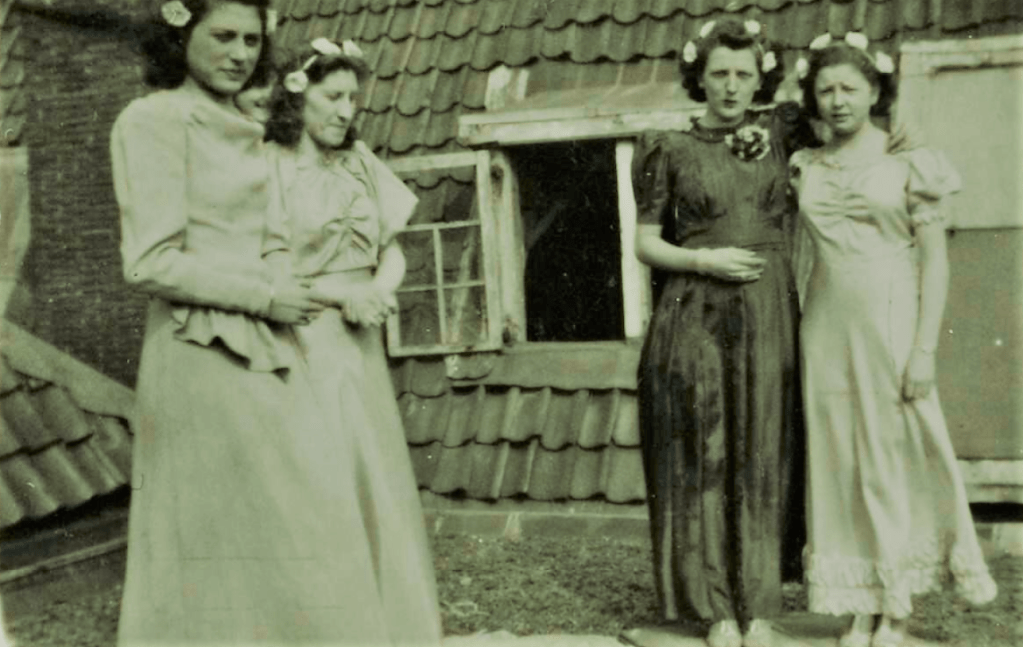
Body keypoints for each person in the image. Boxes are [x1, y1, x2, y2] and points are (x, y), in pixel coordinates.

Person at [111, 2, 416, 643]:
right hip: (198, 347)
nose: (240, 54)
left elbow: (274, 237)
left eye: (252, 40)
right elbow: (149, 262)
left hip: (271, 344)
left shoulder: (250, 126)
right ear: (179, 35)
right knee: (230, 539)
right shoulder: (152, 120)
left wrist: (284, 291)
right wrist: (266, 295)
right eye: (223, 36)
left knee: (304, 529)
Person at [789, 35, 998, 647]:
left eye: (850, 88)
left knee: (892, 460)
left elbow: (936, 262)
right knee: (840, 463)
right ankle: (860, 600)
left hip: (891, 321)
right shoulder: (804, 164)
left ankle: (897, 606)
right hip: (824, 327)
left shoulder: (911, 160)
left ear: (876, 92)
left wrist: (924, 349)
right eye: (825, 89)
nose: (837, 100)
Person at [630, 19, 816, 647]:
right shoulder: (668, 148)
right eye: (719, 74)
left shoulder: (781, 134)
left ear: (761, 76)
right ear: (699, 78)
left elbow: (848, 121)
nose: (732, 86)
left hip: (768, 311)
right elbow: (645, 243)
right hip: (696, 311)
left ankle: (759, 607)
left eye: (743, 74)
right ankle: (715, 612)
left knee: (765, 449)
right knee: (703, 453)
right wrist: (703, 260)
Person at [262, 38, 444, 646]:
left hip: (360, 344)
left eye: (353, 100)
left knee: (374, 480)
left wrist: (379, 289)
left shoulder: (360, 161)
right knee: (320, 486)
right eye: (333, 96)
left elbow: (392, 248)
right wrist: (347, 296)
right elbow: (265, 270)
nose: (346, 111)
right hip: (301, 338)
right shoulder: (268, 167)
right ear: (297, 95)